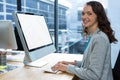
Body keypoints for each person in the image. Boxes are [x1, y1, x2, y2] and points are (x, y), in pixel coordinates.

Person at [52, 1, 118, 80]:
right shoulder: (94, 35)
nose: (84, 17)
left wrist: (67, 68)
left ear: (98, 16)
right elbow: (90, 63)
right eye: (83, 13)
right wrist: (73, 63)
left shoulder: (100, 39)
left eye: (89, 14)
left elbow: (94, 75)